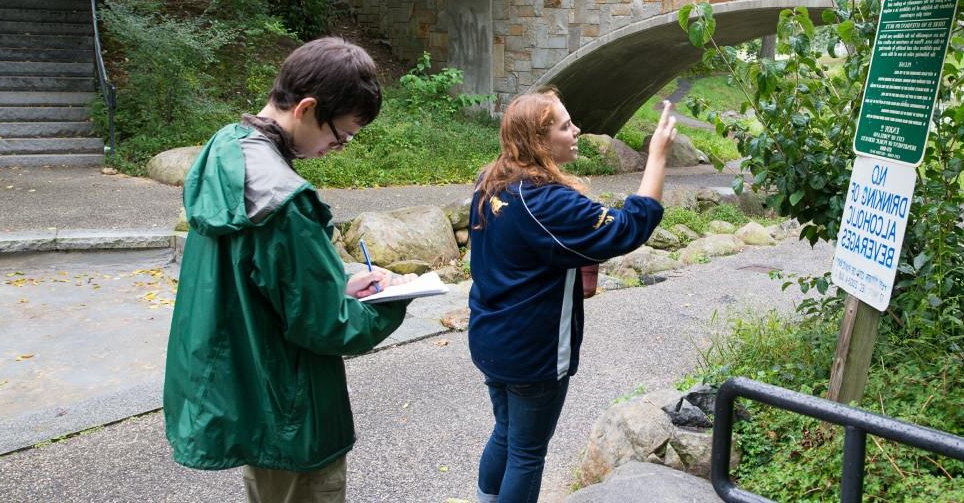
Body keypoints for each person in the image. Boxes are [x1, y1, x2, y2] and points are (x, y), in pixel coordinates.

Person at [163, 37, 415, 503]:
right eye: (339, 135)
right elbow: (329, 326)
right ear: (306, 108)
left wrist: (337, 281)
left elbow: (260, 279)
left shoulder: (230, 153)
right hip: (293, 406)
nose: (336, 147)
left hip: (254, 391)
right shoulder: (285, 203)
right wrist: (394, 301)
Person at [466, 86, 678, 503]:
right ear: (539, 141)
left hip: (491, 335)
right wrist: (657, 156)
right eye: (565, 126)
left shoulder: (492, 179)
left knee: (505, 432)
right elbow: (629, 226)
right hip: (533, 350)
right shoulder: (547, 201)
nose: (576, 130)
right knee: (527, 452)